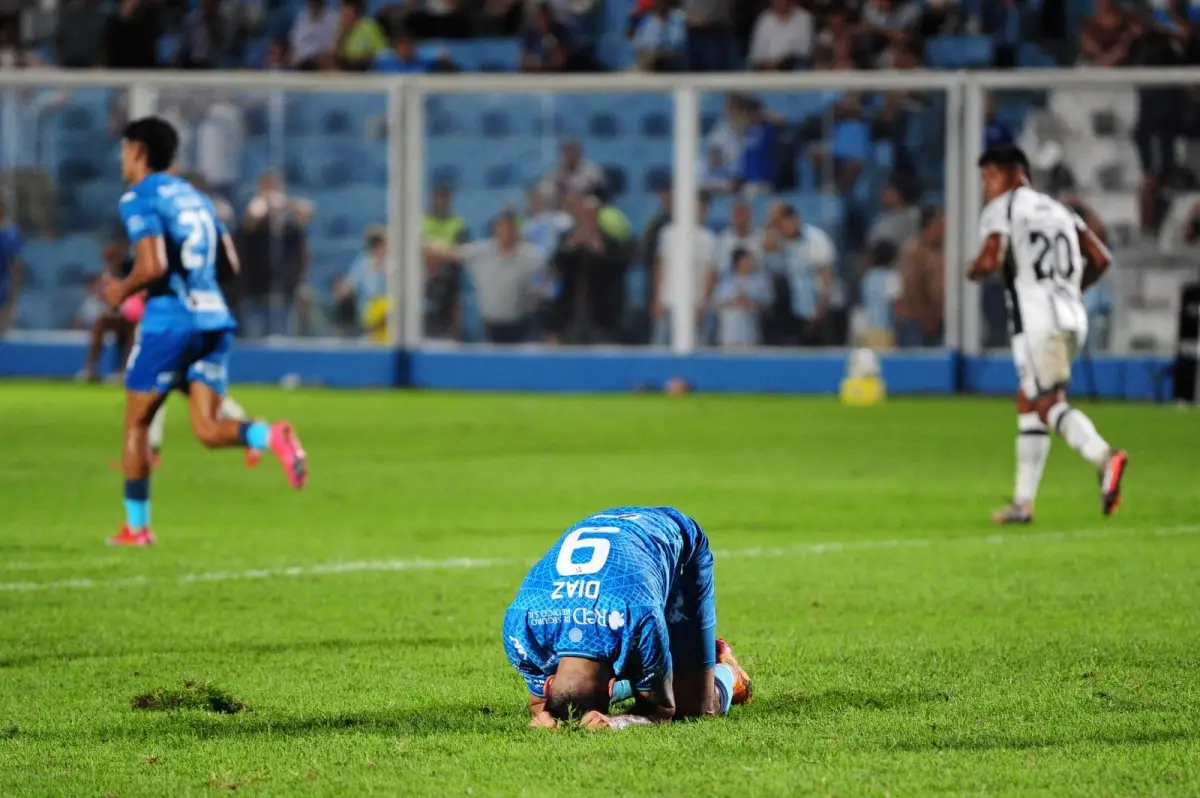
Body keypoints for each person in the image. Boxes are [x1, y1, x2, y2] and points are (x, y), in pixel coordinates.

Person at [100, 117, 308, 547]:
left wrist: (121, 289)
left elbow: (153, 265)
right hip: (214, 317)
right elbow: (230, 265)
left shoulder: (139, 198)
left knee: (137, 422)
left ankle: (137, 528)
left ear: (137, 150)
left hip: (171, 320)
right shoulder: (196, 198)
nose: (122, 158)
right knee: (208, 430)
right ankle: (270, 435)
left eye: (124, 149)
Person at [968, 145, 1128, 525]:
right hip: (1073, 319)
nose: (987, 185)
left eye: (990, 175)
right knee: (1028, 401)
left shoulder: (1002, 209)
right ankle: (1023, 505)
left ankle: (1105, 458)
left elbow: (990, 258)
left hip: (1039, 324)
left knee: (1045, 402)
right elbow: (1101, 258)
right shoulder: (1061, 211)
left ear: (1014, 173)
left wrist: (973, 270)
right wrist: (1071, 291)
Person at [503, 506, 753, 729]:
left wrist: (617, 722)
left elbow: (662, 711)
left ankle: (727, 671)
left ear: (612, 687)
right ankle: (666, 672)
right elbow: (540, 703)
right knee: (638, 663)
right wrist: (544, 716)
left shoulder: (640, 618)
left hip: (672, 536)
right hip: (609, 536)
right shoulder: (520, 625)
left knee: (694, 709)